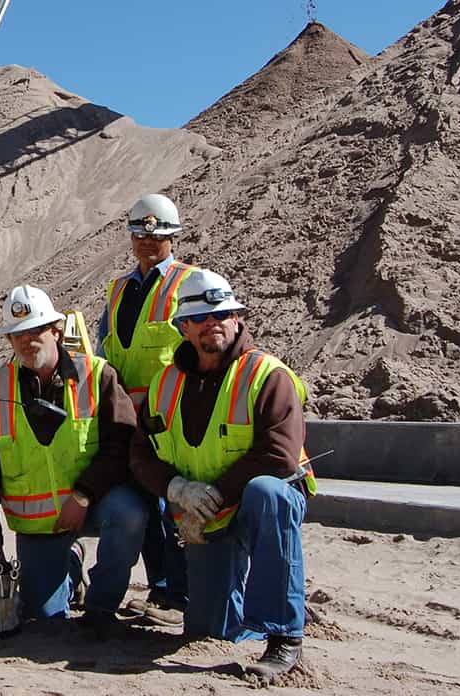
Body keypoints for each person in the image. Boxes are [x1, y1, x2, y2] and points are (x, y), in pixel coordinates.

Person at [130, 268, 317, 680]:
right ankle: (253, 613)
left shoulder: (268, 376)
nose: (211, 324)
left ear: (237, 319)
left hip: (254, 505)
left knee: (270, 493)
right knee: (209, 629)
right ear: (183, 327)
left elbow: (279, 456)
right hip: (205, 513)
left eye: (222, 314)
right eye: (199, 318)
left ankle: (285, 635)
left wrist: (212, 495)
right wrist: (176, 488)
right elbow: (140, 453)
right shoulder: (165, 384)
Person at [0, 284, 147, 634]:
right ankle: (70, 562)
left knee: (130, 514)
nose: (27, 340)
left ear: (56, 331)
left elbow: (123, 444)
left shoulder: (98, 376)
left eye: (36, 330)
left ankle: (101, 607)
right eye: (18, 334)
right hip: (41, 524)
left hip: (94, 501)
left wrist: (83, 494)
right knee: (43, 619)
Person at [98, 194, 195, 623]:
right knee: (148, 508)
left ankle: (182, 593)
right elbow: (107, 348)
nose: (147, 242)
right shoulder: (118, 290)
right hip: (129, 421)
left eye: (156, 236)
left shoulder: (187, 284)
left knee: (175, 507)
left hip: (171, 419)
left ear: (172, 238)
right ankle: (161, 591)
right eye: (139, 234)